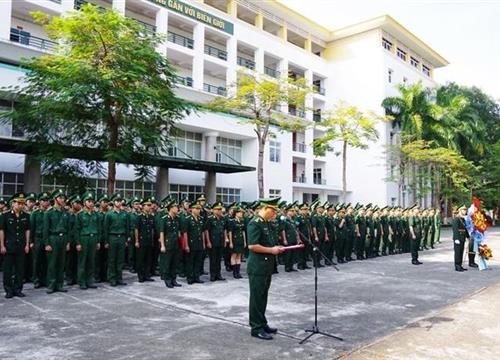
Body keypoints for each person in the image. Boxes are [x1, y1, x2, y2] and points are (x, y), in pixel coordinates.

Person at [247, 197, 285, 341]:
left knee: (263, 296)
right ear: (264, 208)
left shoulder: (266, 223)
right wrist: (271, 250)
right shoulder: (254, 223)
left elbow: (270, 242)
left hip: (266, 266)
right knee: (256, 297)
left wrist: (277, 248)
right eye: (272, 210)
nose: (274, 214)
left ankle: (262, 323)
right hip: (257, 266)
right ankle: (256, 328)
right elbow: (252, 245)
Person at [0, 193, 30, 298]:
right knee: (7, 269)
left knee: (20, 269)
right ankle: (8, 290)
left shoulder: (26, 216)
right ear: (13, 203)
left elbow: (27, 231)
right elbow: (2, 231)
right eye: (19, 203)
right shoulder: (5, 215)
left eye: (23, 203)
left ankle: (18, 289)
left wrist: (27, 244)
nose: (21, 205)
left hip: (21, 246)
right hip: (9, 246)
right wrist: (2, 245)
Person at [44, 189, 71, 294]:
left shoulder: (66, 212)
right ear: (55, 199)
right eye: (60, 198)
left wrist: (68, 242)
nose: (62, 199)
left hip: (63, 238)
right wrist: (47, 243)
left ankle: (59, 284)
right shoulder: (49, 213)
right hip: (53, 238)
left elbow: (68, 229)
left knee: (61, 263)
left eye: (63, 198)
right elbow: (46, 230)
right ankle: (51, 285)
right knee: (52, 263)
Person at [75, 191, 100, 289]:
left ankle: (90, 281)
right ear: (84, 202)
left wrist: (97, 241)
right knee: (83, 261)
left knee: (91, 261)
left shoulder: (95, 214)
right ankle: (82, 281)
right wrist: (78, 243)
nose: (91, 203)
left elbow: (98, 229)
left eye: (92, 201)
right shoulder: (80, 215)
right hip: (84, 239)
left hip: (93, 238)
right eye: (89, 201)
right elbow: (77, 230)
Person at [104, 193, 130, 287]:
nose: (119, 203)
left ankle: (119, 278)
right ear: (113, 202)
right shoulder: (109, 214)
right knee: (112, 259)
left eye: (120, 201)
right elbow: (106, 229)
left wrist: (127, 239)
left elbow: (127, 227)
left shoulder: (124, 214)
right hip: (112, 237)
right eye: (117, 201)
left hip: (122, 237)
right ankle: (112, 278)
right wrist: (106, 241)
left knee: (120, 259)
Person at [159, 199, 182, 288]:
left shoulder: (177, 219)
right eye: (176, 207)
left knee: (174, 263)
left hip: (175, 244)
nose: (177, 209)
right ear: (171, 208)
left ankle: (173, 279)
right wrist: (162, 245)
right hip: (168, 244)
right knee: (167, 263)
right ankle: (167, 280)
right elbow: (162, 233)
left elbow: (178, 232)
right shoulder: (164, 219)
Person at [30, 192, 50, 288]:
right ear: (40, 202)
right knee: (37, 260)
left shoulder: (49, 213)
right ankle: (36, 280)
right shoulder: (35, 213)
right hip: (37, 239)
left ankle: (45, 279)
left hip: (46, 239)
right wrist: (31, 242)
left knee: (46, 260)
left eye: (47, 201)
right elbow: (32, 228)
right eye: (44, 201)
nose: (46, 202)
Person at [229, 206, 246, 278]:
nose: (241, 214)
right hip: (234, 240)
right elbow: (230, 232)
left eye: (242, 213)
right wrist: (230, 242)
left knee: (239, 256)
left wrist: (245, 241)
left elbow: (243, 232)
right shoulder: (232, 221)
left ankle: (238, 272)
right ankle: (234, 273)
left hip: (240, 240)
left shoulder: (242, 221)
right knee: (234, 256)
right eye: (240, 212)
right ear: (236, 213)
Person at [452, 205, 469, 272]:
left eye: (465, 210)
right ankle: (457, 266)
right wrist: (456, 238)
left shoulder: (463, 219)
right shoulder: (456, 219)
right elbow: (455, 229)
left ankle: (460, 265)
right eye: (463, 210)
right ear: (460, 210)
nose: (465, 211)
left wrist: (468, 236)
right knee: (457, 253)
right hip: (458, 238)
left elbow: (465, 229)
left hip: (462, 238)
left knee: (461, 252)